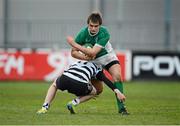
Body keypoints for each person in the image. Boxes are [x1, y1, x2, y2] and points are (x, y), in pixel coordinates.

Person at [66, 11, 129, 115]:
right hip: (93, 62)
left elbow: (93, 52)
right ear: (88, 24)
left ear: (100, 25)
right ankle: (73, 103)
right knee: (98, 91)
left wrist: (74, 44)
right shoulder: (82, 34)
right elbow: (73, 53)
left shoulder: (104, 33)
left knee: (117, 76)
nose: (93, 28)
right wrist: (84, 58)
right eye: (91, 25)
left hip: (107, 57)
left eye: (96, 26)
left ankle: (122, 108)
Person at [37, 60, 126, 114]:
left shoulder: (77, 62)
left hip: (65, 78)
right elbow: (107, 81)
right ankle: (73, 103)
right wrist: (118, 92)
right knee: (95, 92)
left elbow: (67, 71)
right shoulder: (98, 67)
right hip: (80, 84)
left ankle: (45, 107)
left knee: (54, 85)